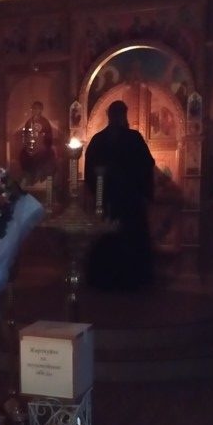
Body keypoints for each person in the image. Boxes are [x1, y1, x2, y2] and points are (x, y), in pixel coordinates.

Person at [84, 99, 155, 290]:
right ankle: (111, 280)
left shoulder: (130, 138)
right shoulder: (101, 140)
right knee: (109, 236)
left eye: (119, 114)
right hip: (112, 198)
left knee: (126, 236)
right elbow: (91, 169)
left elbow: (146, 164)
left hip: (127, 198)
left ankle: (127, 281)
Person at [19, 100, 56, 183]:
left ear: (41, 110)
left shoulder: (45, 122)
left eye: (37, 108)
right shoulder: (28, 122)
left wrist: (44, 144)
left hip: (43, 146)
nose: (35, 110)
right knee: (23, 155)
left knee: (45, 156)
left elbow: (49, 135)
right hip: (30, 147)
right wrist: (28, 144)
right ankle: (29, 177)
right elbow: (25, 135)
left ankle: (41, 177)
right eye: (34, 108)